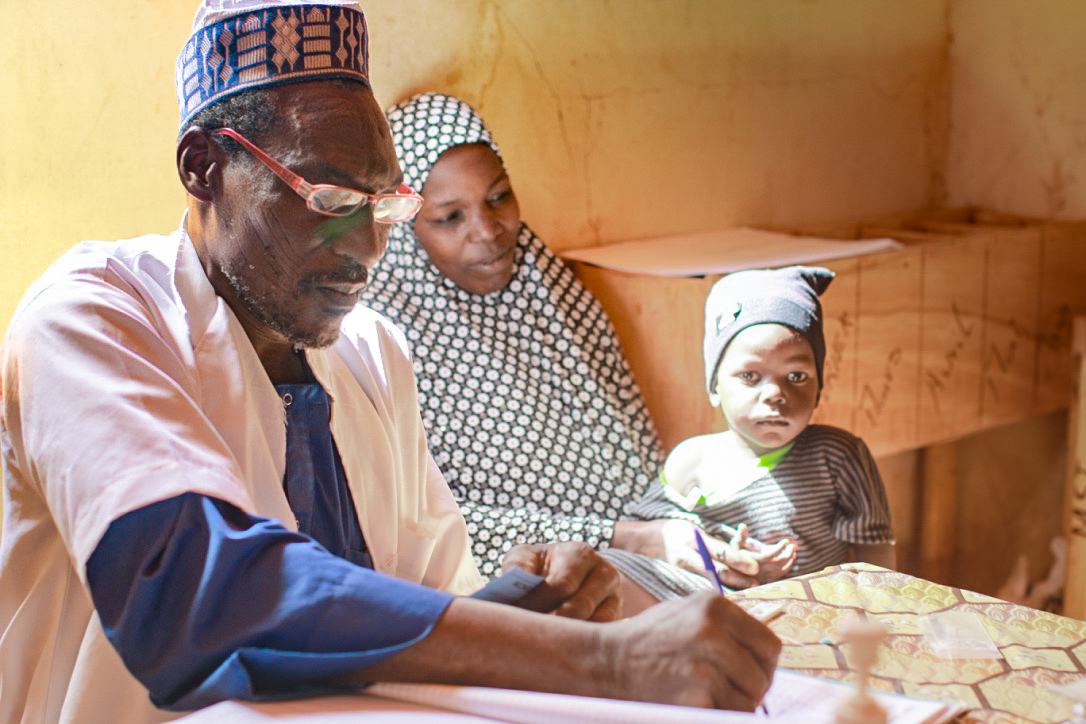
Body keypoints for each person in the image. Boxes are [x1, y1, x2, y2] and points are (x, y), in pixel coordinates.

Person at [0, 3, 779, 722]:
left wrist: (523, 599)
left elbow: (405, 619)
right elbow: (191, 592)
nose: (369, 248)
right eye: (331, 203)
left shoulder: (372, 353)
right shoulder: (91, 317)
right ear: (203, 166)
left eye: (382, 207)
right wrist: (606, 661)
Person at [359, 92, 785, 595]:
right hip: (517, 591)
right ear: (405, 227)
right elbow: (422, 534)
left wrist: (699, 533)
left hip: (640, 556)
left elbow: (640, 462)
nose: (489, 231)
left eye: (499, 197)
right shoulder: (383, 347)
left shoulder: (550, 293)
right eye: (450, 217)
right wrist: (625, 538)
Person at [620, 265, 897, 596]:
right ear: (715, 386)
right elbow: (650, 536)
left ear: (819, 387)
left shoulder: (836, 455)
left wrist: (880, 612)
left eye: (796, 376)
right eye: (750, 376)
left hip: (814, 615)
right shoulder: (691, 462)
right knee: (612, 567)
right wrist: (731, 555)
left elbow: (875, 550)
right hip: (712, 615)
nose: (775, 394)